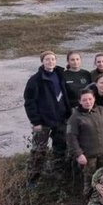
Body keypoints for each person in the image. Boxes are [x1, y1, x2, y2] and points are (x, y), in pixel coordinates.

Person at [24, 50, 71, 185]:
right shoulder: (35, 80)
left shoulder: (60, 74)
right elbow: (29, 102)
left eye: (53, 59)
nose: (50, 62)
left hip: (60, 119)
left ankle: (58, 174)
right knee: (38, 150)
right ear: (42, 62)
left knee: (60, 147)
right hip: (43, 121)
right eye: (47, 59)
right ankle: (33, 179)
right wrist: (35, 121)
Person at [67, 89, 103, 196]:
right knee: (90, 181)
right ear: (80, 101)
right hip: (88, 157)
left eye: (90, 99)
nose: (88, 102)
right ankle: (89, 200)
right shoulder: (75, 117)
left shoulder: (102, 111)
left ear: (94, 99)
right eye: (84, 100)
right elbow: (71, 138)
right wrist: (79, 154)